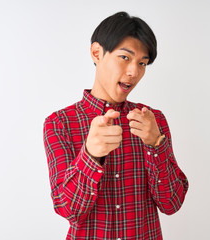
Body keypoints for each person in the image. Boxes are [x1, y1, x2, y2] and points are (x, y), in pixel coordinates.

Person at [43, 11, 189, 240]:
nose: (134, 72)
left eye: (142, 63)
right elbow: (68, 209)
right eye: (125, 57)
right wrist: (90, 156)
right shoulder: (60, 123)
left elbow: (172, 203)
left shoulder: (153, 121)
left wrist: (155, 144)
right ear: (97, 53)